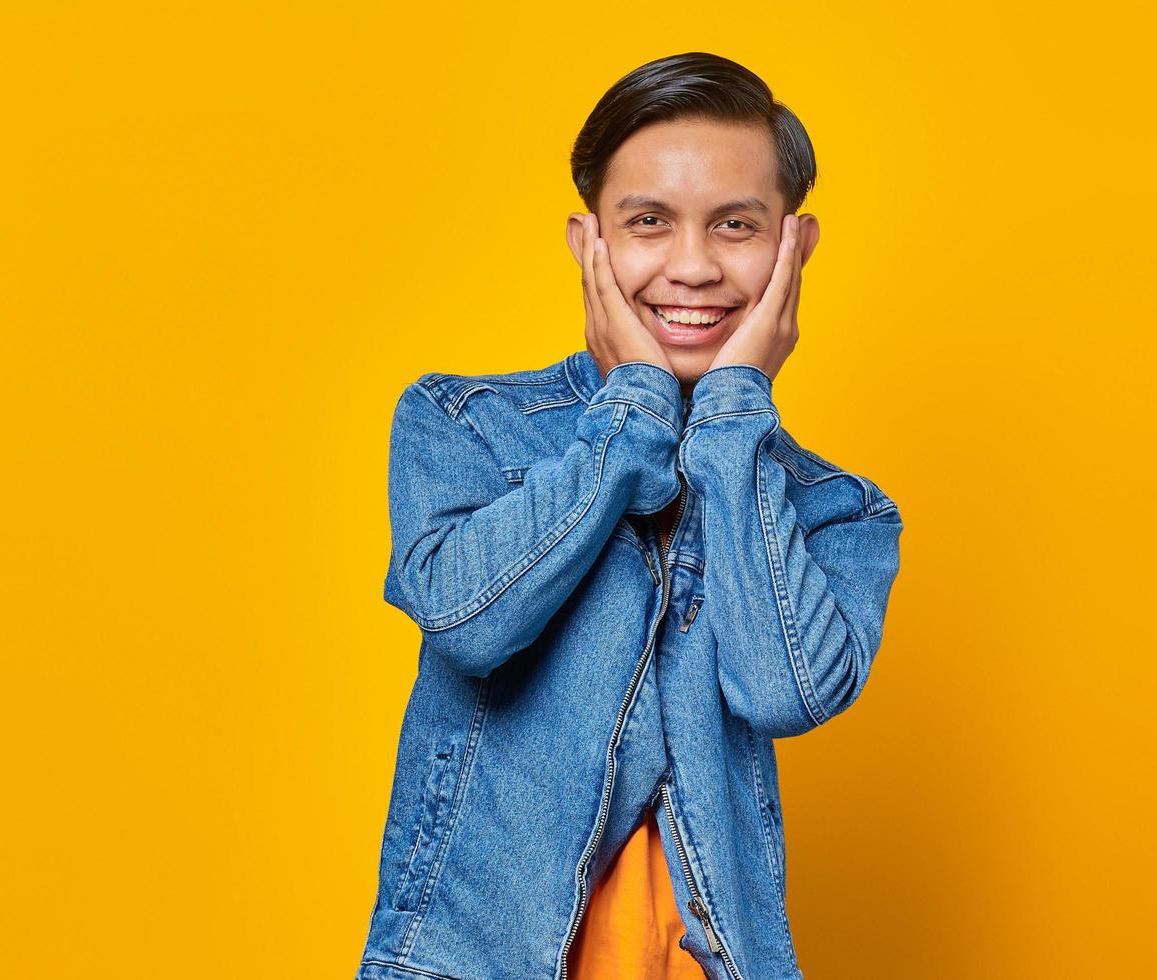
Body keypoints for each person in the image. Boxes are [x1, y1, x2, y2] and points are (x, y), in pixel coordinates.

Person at [356, 52, 904, 980]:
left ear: (794, 248)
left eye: (736, 226)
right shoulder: (465, 424)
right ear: (589, 244)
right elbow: (468, 622)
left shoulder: (838, 510)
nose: (692, 266)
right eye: (649, 223)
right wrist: (635, 413)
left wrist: (732, 415)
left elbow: (784, 691)